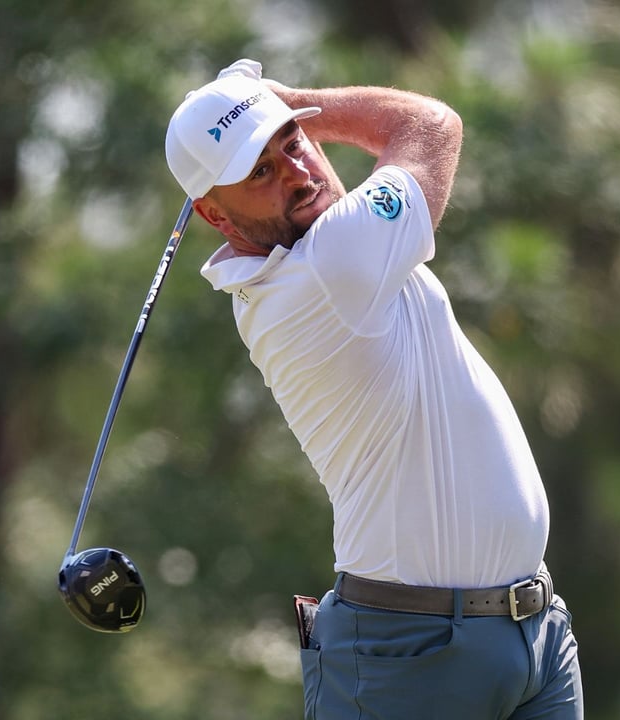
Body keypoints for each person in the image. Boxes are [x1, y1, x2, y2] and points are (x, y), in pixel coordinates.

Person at [164, 60, 582, 718]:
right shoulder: (326, 269)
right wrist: (296, 102)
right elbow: (429, 125)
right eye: (261, 172)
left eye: (292, 145)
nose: (297, 174)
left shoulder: (315, 249)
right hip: (408, 657)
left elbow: (319, 186)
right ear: (214, 213)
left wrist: (275, 119)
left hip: (534, 634)